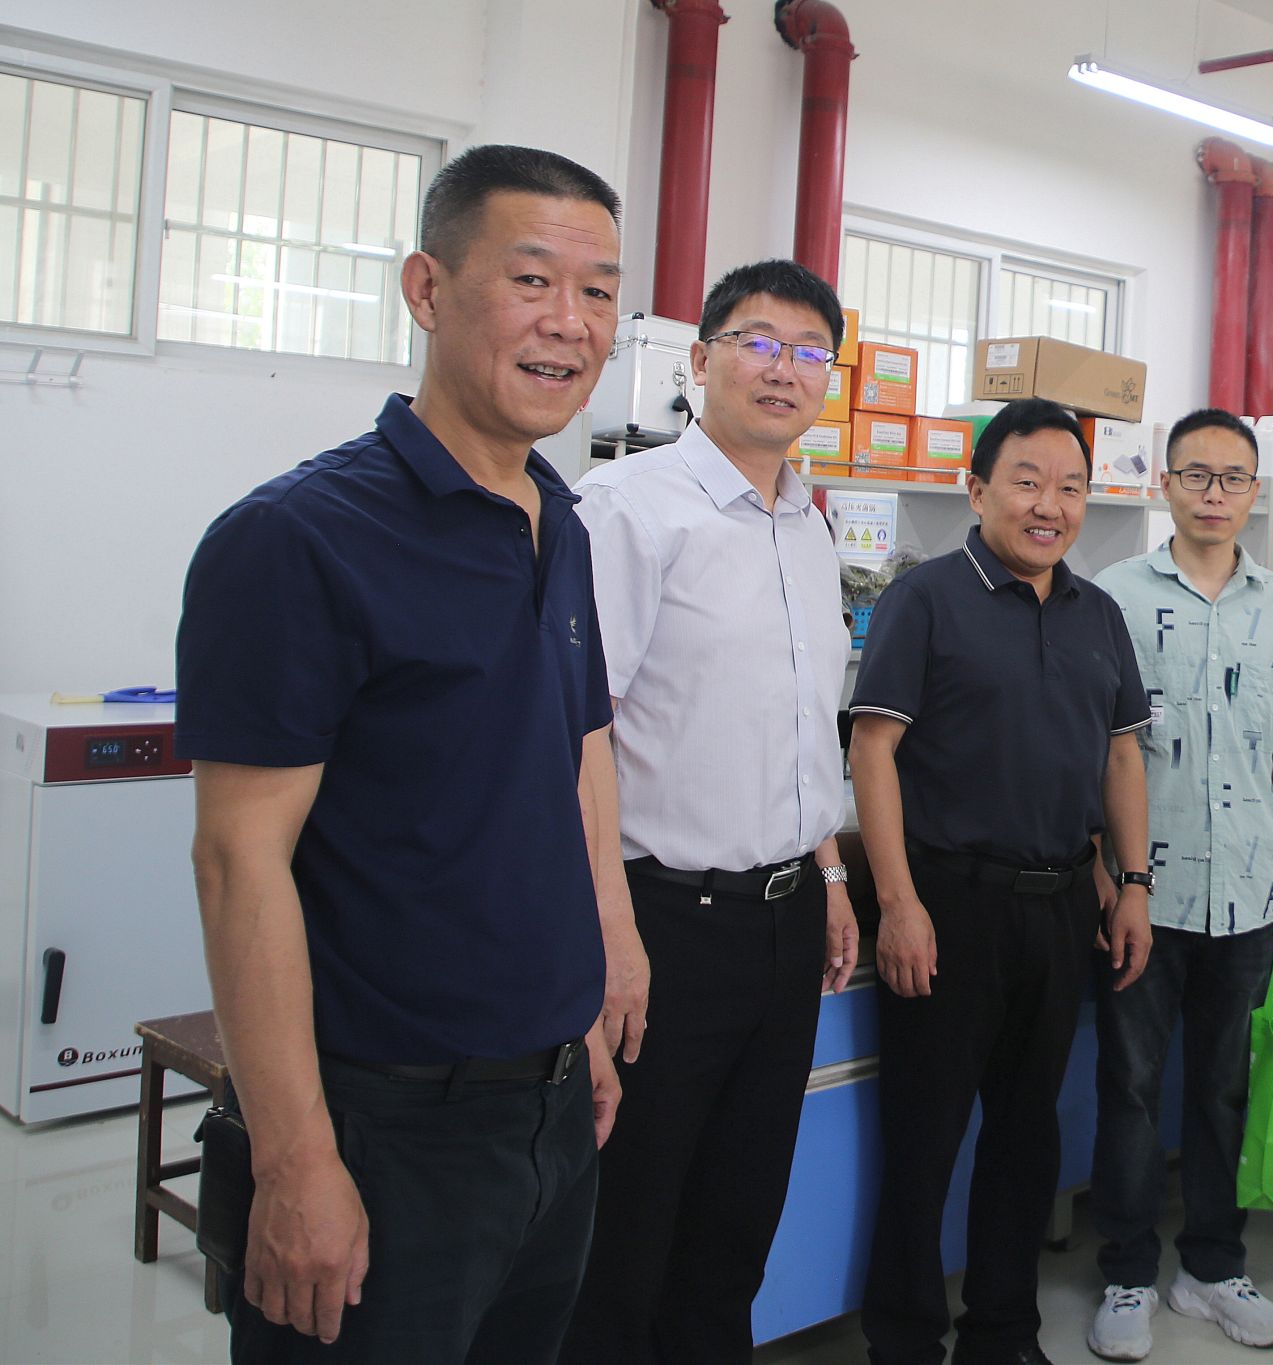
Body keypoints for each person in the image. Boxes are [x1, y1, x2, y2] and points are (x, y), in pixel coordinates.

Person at [176, 144, 636, 1364]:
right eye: (532, 281)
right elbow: (236, 863)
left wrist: (583, 1007)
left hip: (550, 1109)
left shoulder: (560, 523)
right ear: (427, 290)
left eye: (598, 292)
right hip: (379, 1122)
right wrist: (296, 1162)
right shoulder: (296, 541)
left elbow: (571, 758)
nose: (570, 322)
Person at [562, 259, 860, 1364]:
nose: (784, 370)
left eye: (809, 352)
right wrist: (609, 934)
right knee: (629, 1226)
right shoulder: (625, 511)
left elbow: (796, 727)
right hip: (663, 922)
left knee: (738, 1217)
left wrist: (829, 876)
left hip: (784, 922)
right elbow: (575, 737)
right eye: (758, 343)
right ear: (698, 361)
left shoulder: (807, 526)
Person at [851, 398, 1154, 1365]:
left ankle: (1002, 1332)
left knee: (1028, 1137)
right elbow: (872, 749)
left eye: (1071, 487)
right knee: (925, 1137)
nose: (1049, 505)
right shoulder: (925, 598)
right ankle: (904, 1340)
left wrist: (1132, 881)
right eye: (1027, 482)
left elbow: (1121, 756)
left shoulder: (1097, 612)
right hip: (950, 903)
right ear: (977, 489)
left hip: (1062, 904)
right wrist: (899, 902)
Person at [1084, 410, 1273, 1360]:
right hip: (1143, 895)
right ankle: (1124, 1272)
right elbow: (1094, 750)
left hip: (1245, 886)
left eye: (1233, 478)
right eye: (1196, 474)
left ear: (1254, 492)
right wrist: (1106, 875)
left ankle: (1212, 1264)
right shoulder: (1109, 596)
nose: (1214, 494)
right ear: (1165, 482)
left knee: (1224, 1086)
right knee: (1131, 1087)